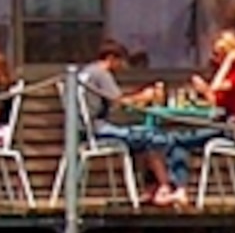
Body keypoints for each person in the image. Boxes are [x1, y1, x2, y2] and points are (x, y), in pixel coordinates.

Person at [76, 38, 181, 205]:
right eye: (121, 62)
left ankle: (150, 189)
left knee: (139, 140)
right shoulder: (102, 74)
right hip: (96, 129)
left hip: (79, 130)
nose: (122, 67)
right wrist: (144, 96)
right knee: (152, 136)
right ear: (111, 58)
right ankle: (168, 187)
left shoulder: (85, 72)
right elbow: (120, 102)